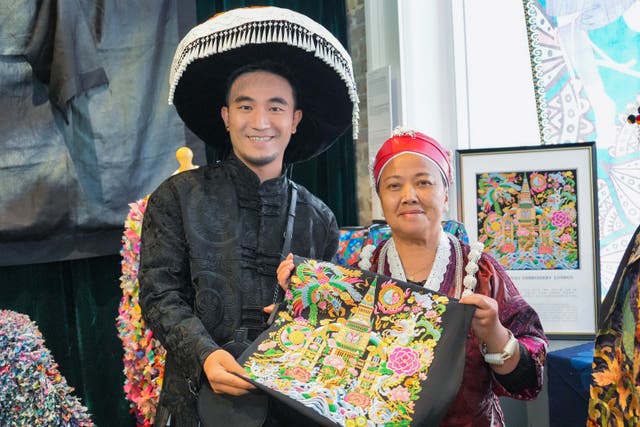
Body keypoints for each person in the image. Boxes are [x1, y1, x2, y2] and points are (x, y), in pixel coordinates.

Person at [138, 6, 358, 427]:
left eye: (276, 108)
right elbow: (159, 296)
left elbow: (328, 323)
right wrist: (206, 354)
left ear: (295, 120)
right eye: (245, 107)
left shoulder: (320, 219)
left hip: (288, 412)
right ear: (226, 116)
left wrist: (300, 306)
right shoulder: (176, 197)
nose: (260, 122)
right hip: (194, 404)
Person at [277, 127, 548, 426]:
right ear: (380, 197)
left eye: (423, 182)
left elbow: (528, 381)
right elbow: (325, 364)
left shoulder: (480, 272)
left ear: (445, 195)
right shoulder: (357, 273)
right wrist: (295, 305)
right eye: (394, 186)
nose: (409, 196)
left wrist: (495, 334)